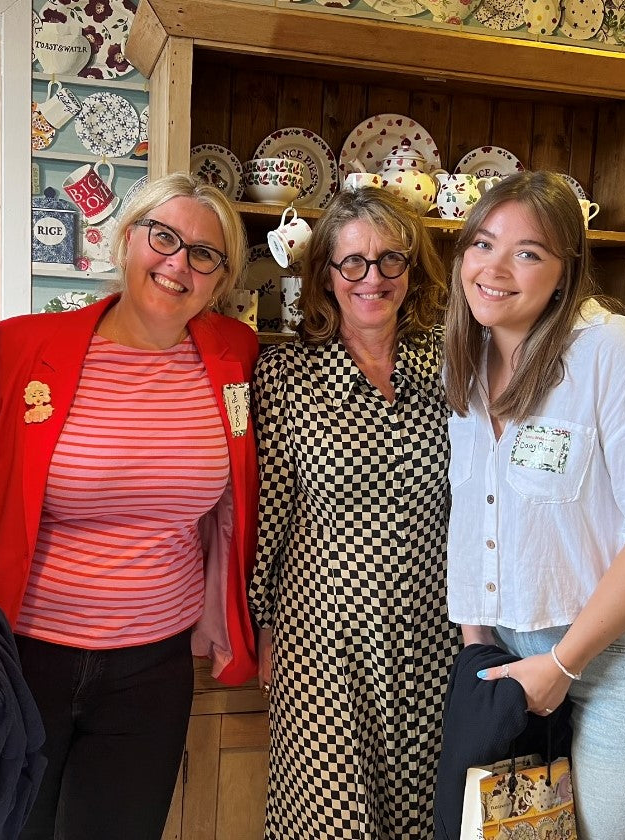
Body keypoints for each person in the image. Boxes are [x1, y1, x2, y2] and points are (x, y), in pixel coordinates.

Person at [0, 172, 260, 840]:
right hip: (24, 656)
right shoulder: (20, 347)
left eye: (203, 254)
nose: (178, 262)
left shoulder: (233, 356)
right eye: (163, 237)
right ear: (126, 241)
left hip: (152, 668)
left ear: (220, 279)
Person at [249, 186, 460, 839]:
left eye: (389, 260)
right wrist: (264, 631)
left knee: (424, 815)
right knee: (328, 819)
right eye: (352, 263)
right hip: (323, 643)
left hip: (436, 640)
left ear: (411, 269)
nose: (372, 277)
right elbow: (271, 515)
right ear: (325, 276)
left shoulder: (455, 370)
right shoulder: (285, 377)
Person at [443, 170, 625, 839]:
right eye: (482, 244)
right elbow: (472, 516)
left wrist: (563, 664)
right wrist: (478, 651)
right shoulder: (468, 363)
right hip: (507, 664)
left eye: (527, 252)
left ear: (564, 271)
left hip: (612, 665)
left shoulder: (610, 348)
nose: (493, 268)